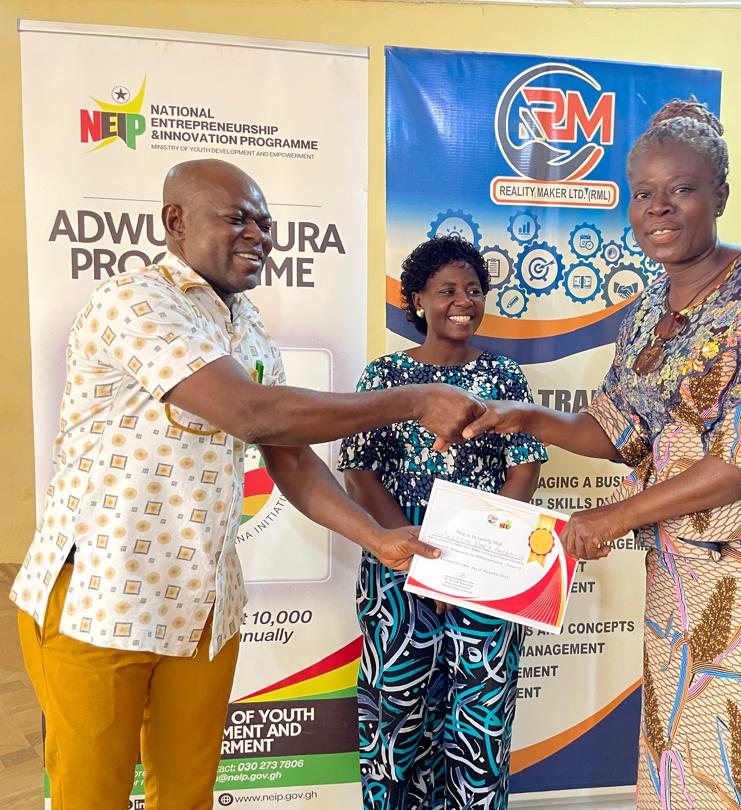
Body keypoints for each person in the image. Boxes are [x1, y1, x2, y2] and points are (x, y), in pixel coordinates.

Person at [10, 160, 486, 810]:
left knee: (188, 794)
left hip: (203, 608)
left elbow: (290, 457)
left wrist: (376, 538)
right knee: (91, 796)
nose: (258, 235)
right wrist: (412, 400)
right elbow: (250, 412)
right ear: (176, 222)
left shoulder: (249, 325)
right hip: (100, 598)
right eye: (237, 219)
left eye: (264, 222)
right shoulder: (135, 301)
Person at [464, 101, 741, 809]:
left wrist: (612, 517)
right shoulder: (645, 312)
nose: (658, 208)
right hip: (684, 575)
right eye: (643, 193)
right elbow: (616, 428)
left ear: (720, 195)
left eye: (681, 189)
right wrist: (524, 418)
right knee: (683, 771)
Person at [338, 235, 546, 810]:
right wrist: (419, 557)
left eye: (474, 290)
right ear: (418, 300)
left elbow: (524, 469)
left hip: (487, 564)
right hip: (397, 561)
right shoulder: (385, 376)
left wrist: (473, 557)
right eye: (447, 290)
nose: (463, 301)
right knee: (396, 713)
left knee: (480, 715)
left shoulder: (504, 377)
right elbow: (360, 474)